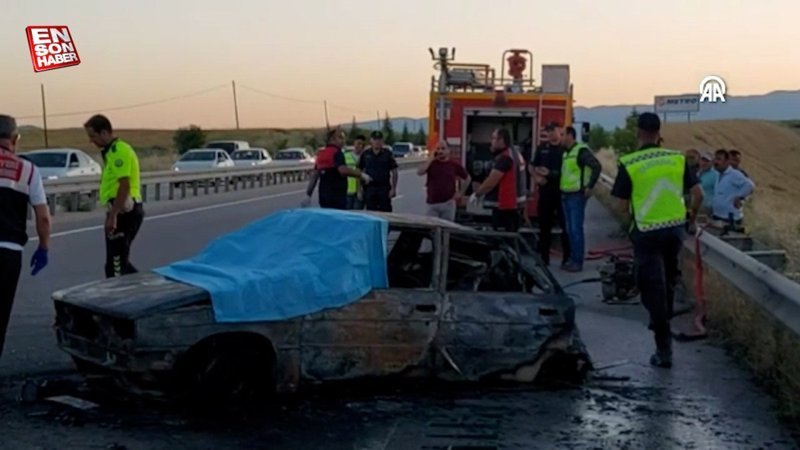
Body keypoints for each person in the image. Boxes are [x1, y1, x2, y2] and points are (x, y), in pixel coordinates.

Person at [611, 112, 703, 369]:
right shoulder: (677, 159)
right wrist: (690, 218)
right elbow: (698, 194)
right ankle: (665, 314)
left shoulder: (629, 163)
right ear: (658, 132)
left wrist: (636, 215)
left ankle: (664, 349)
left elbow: (619, 204)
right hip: (675, 230)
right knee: (669, 279)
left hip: (647, 232)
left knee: (650, 287)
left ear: (638, 132)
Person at [0, 114, 51, 359]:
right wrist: (43, 247)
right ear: (15, 139)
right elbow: (42, 217)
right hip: (9, 253)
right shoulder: (28, 170)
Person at [84, 114, 144, 278]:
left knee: (115, 266)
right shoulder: (110, 152)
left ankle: (120, 299)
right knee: (117, 261)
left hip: (125, 212)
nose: (91, 141)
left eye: (93, 136)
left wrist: (114, 216)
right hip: (118, 210)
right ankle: (144, 286)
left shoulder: (119, 151)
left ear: (104, 133)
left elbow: (124, 184)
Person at [559, 126, 601, 272]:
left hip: (576, 196)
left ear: (570, 135)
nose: (560, 137)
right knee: (570, 230)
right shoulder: (566, 153)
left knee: (576, 230)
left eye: (563, 134)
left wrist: (590, 186)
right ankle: (572, 259)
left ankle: (577, 262)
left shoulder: (581, 151)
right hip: (566, 194)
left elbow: (596, 166)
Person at [470, 128, 526, 232]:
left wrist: (477, 194)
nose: (491, 141)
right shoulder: (515, 154)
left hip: (506, 207)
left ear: (501, 140)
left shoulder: (505, 158)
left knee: (501, 239)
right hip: (515, 206)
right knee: (511, 238)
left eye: (493, 138)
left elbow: (491, 182)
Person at [531, 123, 571, 267]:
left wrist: (551, 173)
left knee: (565, 226)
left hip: (562, 192)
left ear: (558, 131)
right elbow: (532, 165)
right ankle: (544, 258)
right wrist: (536, 178)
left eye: (552, 131)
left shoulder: (565, 149)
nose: (550, 134)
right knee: (544, 226)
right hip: (545, 192)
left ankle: (567, 258)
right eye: (547, 132)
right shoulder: (542, 148)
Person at [303, 128, 371, 210]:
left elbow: (315, 175)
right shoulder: (337, 153)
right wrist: (361, 175)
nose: (343, 140)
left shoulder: (321, 154)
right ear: (332, 139)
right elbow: (342, 170)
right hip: (337, 196)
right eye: (340, 137)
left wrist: (308, 195)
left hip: (324, 196)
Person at [417, 140, 470, 221]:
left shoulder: (454, 164)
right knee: (432, 229)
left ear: (448, 150)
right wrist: (430, 158)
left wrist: (460, 193)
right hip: (432, 204)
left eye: (443, 148)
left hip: (448, 204)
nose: (440, 151)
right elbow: (420, 172)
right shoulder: (431, 164)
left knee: (446, 229)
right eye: (438, 149)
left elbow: (467, 178)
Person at [711, 149, 755, 228]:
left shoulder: (734, 174)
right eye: (715, 159)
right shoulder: (717, 174)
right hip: (717, 214)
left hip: (730, 218)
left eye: (719, 159)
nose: (716, 162)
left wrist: (739, 197)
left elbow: (750, 185)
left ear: (727, 162)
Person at [358, 131, 398, 212]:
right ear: (371, 141)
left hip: (384, 188)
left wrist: (393, 188)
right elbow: (359, 171)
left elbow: (394, 171)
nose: (377, 142)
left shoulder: (387, 154)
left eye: (379, 140)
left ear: (382, 141)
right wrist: (359, 189)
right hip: (370, 188)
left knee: (386, 213)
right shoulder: (365, 154)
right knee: (371, 213)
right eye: (375, 139)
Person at [345, 135, 367, 210]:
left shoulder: (366, 158)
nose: (360, 146)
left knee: (357, 215)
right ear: (354, 143)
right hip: (347, 190)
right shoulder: (345, 156)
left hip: (360, 191)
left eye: (362, 145)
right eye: (358, 143)